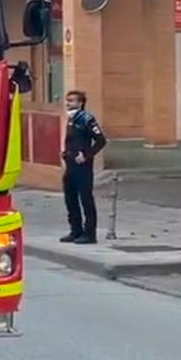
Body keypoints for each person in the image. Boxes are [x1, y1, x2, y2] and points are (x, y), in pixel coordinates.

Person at [60, 89, 106, 244]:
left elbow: (100, 141)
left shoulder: (86, 119)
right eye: (67, 100)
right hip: (70, 164)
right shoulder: (71, 119)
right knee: (70, 198)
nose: (68, 103)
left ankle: (90, 233)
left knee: (86, 198)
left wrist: (86, 155)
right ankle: (76, 230)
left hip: (83, 166)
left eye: (72, 101)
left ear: (80, 103)